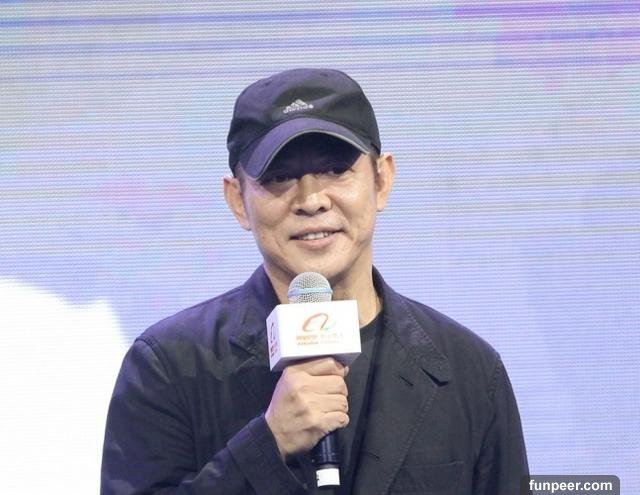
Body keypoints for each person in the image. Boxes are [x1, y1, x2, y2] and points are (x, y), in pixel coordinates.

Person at [101, 68, 528, 494]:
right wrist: (266, 445)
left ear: (382, 180)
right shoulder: (169, 367)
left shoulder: (468, 370)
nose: (310, 200)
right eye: (279, 177)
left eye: (336, 169)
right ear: (237, 200)